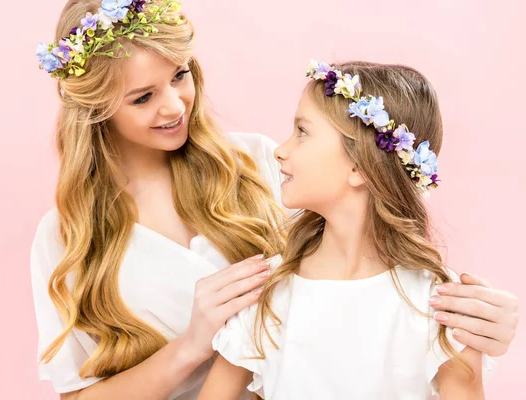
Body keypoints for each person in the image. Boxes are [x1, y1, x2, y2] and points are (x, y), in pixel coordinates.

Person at [32, 1, 520, 398]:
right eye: (142, 97)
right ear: (94, 108)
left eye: (181, 75)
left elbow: (368, 256)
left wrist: (481, 324)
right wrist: (192, 346)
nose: (176, 105)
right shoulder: (66, 237)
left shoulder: (263, 164)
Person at [199, 60, 510, 400]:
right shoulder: (267, 294)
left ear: (360, 166)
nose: (280, 150)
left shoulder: (439, 306)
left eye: (302, 132)